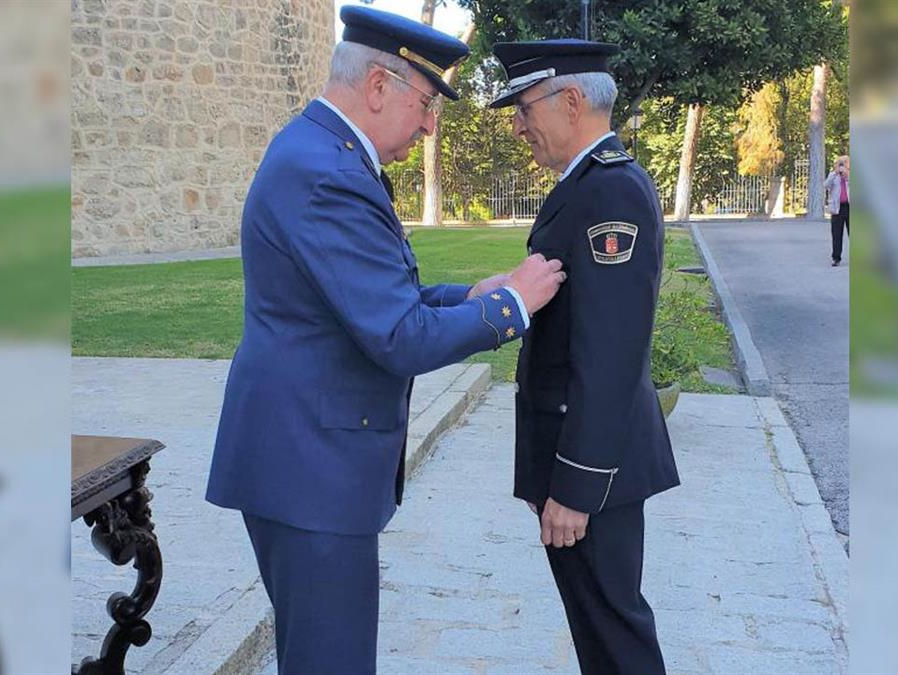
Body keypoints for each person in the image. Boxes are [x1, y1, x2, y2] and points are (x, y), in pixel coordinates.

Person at [205, 7, 565, 673]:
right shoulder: (328, 174)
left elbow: (370, 301)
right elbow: (398, 335)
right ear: (377, 86)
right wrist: (512, 307)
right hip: (310, 468)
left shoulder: (323, 154)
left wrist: (469, 297)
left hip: (304, 459)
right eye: (426, 102)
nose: (430, 124)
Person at [489, 39, 681, 674]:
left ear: (570, 101)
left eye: (522, 108)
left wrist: (576, 486)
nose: (517, 125)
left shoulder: (610, 192)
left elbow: (611, 351)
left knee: (615, 635)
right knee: (601, 631)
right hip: (583, 459)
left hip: (593, 470)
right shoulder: (586, 185)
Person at [824, 155, 850, 266]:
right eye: (840, 162)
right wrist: (835, 173)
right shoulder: (833, 175)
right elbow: (826, 185)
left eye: (844, 162)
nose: (842, 164)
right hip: (837, 208)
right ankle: (836, 258)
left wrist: (847, 176)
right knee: (836, 234)